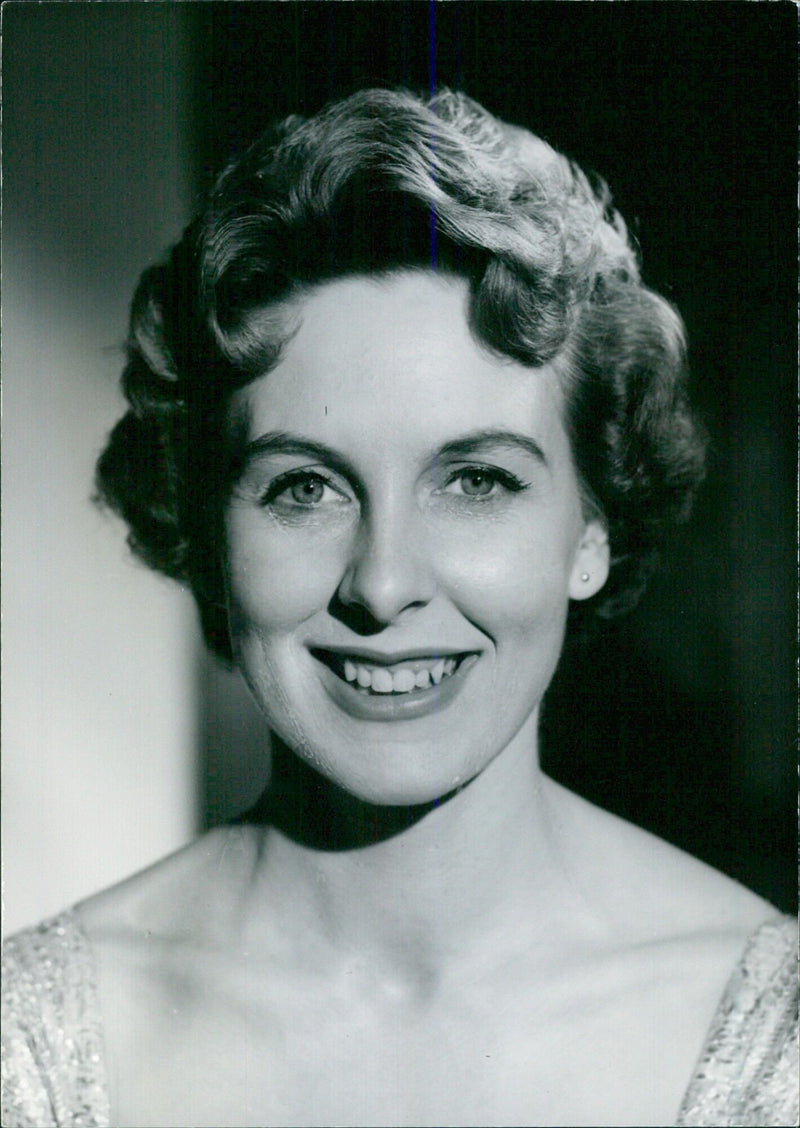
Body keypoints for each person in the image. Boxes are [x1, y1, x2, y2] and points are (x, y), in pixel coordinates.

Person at [2, 89, 796, 1128]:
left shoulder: (769, 1045)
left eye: (474, 482)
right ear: (206, 531)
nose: (381, 585)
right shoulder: (39, 1049)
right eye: (303, 488)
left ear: (592, 528)